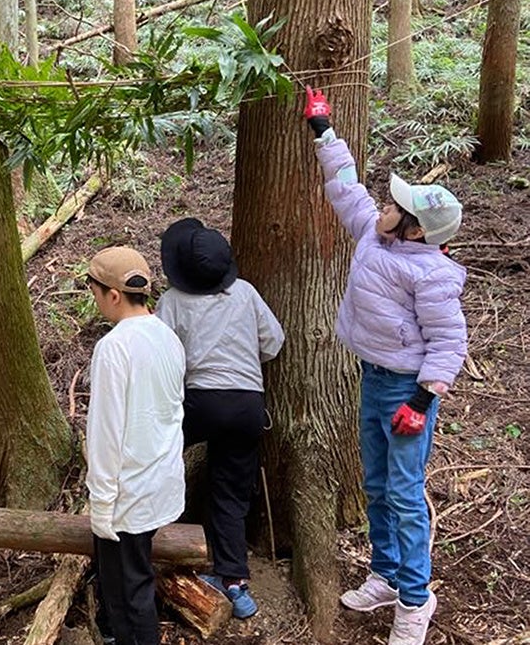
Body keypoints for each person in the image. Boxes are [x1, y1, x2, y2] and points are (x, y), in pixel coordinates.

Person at [303, 87, 467, 645]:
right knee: (376, 484)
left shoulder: (435, 276)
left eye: (397, 207)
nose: (385, 206)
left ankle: (416, 601)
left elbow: (450, 341)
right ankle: (387, 574)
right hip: (373, 378)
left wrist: (422, 403)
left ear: (417, 230)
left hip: (407, 391)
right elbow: (346, 188)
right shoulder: (376, 236)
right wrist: (324, 130)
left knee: (404, 491)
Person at [155, 218, 284, 619]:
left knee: (161, 460)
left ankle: (154, 545)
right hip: (246, 403)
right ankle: (235, 582)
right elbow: (273, 342)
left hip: (198, 402)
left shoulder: (173, 302)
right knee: (230, 490)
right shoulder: (244, 293)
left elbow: (160, 354)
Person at [84, 246, 186, 645]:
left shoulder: (114, 347)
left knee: (130, 592)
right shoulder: (168, 337)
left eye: (94, 291)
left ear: (113, 294)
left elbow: (106, 431)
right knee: (132, 580)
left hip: (127, 492)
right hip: (158, 481)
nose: (96, 301)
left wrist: (103, 501)